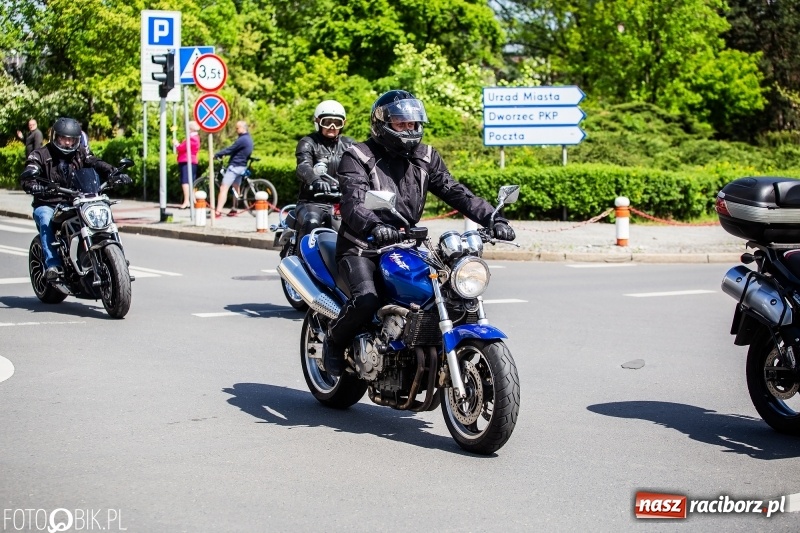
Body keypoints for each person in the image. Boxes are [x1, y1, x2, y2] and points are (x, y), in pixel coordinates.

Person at [321, 90, 517, 376]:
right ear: (382, 124)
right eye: (401, 124)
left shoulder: (425, 156)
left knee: (445, 294)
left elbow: (455, 191)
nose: (409, 130)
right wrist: (375, 226)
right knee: (367, 300)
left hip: (406, 245)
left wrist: (493, 217)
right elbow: (353, 204)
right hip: (362, 246)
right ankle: (333, 341)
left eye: (413, 124)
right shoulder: (358, 157)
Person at [18, 117, 130, 281]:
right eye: (64, 139)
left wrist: (114, 172)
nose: (68, 143)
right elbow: (30, 172)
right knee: (45, 219)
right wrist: (33, 185)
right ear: (55, 137)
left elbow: (95, 162)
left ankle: (116, 256)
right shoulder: (40, 155)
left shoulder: (81, 152)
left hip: (76, 199)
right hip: (49, 202)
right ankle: (53, 265)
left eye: (72, 140)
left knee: (102, 206)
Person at [294, 100, 355, 244]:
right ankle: (304, 260)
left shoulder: (350, 144)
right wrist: (315, 180)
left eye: (337, 123)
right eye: (327, 122)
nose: (332, 127)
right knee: (312, 221)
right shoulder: (308, 142)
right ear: (318, 121)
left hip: (341, 202)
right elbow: (303, 166)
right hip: (312, 201)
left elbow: (361, 168)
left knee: (357, 229)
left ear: (343, 124)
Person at [213, 120, 253, 218]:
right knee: (236, 187)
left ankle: (217, 212)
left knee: (223, 188)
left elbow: (231, 149)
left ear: (243, 128)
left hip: (235, 166)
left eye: (237, 128)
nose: (236, 130)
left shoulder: (242, 139)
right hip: (242, 166)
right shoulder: (248, 138)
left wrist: (217, 154)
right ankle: (234, 209)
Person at [173, 120, 201, 209]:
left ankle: (186, 201)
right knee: (191, 182)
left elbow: (182, 148)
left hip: (187, 160)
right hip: (191, 161)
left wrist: (176, 144)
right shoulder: (194, 137)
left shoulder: (192, 138)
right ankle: (192, 200)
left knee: (185, 181)